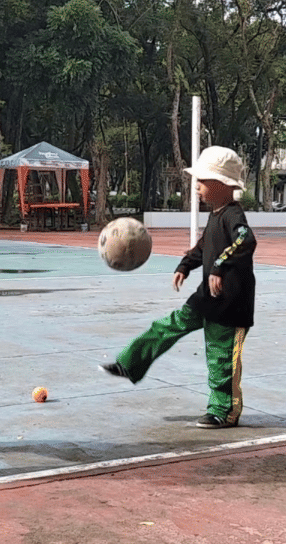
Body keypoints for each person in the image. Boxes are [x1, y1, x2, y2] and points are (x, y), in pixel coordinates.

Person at [100, 146, 256, 429]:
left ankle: (224, 411)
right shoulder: (216, 215)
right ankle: (130, 363)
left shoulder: (234, 215)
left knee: (221, 358)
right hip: (206, 298)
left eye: (202, 181)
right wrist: (186, 265)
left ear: (222, 184)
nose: (196, 187)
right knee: (167, 326)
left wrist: (219, 267)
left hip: (231, 303)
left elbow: (245, 241)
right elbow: (205, 246)